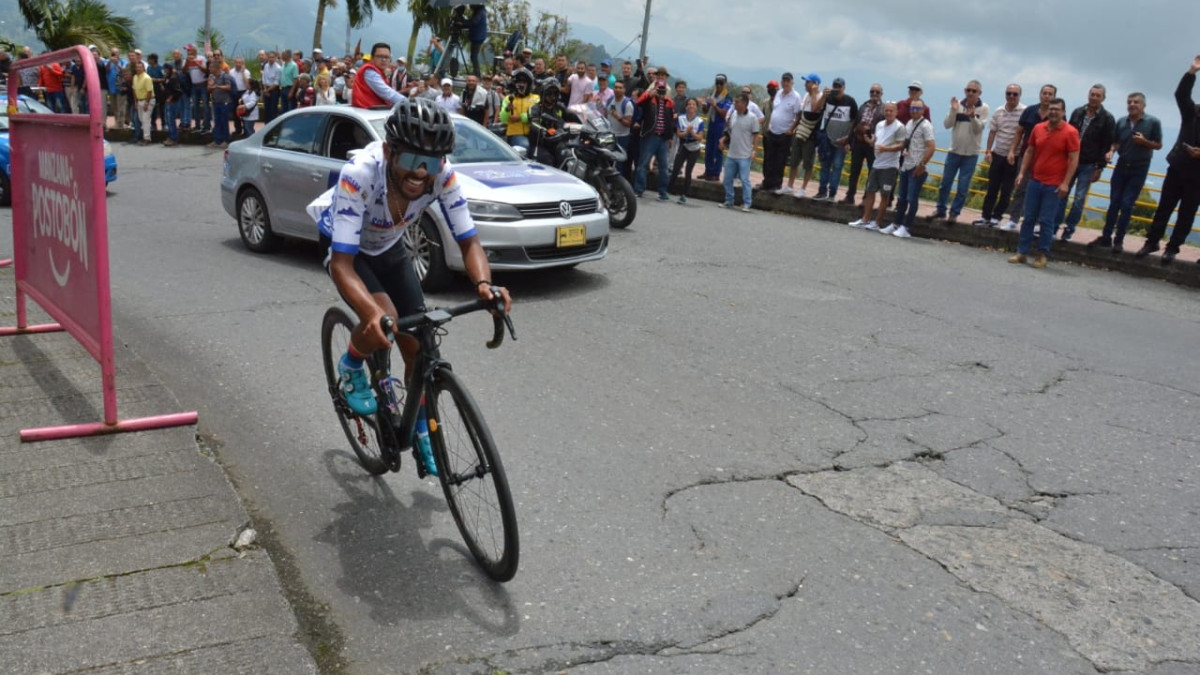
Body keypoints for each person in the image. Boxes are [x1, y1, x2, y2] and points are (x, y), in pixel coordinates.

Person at [305, 99, 511, 420]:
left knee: (418, 346)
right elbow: (342, 265)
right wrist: (371, 312)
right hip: (348, 248)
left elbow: (469, 241)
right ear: (388, 152)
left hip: (389, 244)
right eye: (411, 158)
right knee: (384, 316)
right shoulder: (359, 175)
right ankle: (352, 362)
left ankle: (420, 427)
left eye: (430, 162)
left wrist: (484, 285)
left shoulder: (442, 175)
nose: (419, 171)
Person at [1135, 55, 1200, 264]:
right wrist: (1192, 72)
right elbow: (1181, 95)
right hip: (1178, 167)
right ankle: (1152, 241)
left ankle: (1173, 248)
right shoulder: (1193, 113)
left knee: (1186, 214)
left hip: (1198, 176)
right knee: (1164, 207)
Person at [1009, 99, 1080, 269]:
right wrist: (1021, 173)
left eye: (1057, 109)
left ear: (1063, 112)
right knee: (1028, 218)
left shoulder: (1070, 132)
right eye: (1051, 109)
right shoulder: (1038, 128)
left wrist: (1066, 183)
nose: (1054, 112)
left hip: (1054, 185)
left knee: (1047, 221)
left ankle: (1042, 254)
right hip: (1035, 180)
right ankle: (1022, 252)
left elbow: (1073, 159)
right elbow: (1029, 151)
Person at [1091, 93, 1163, 253]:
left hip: (1139, 168)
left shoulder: (1152, 122)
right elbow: (1115, 142)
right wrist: (1111, 152)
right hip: (1121, 165)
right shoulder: (1122, 121)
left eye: (1136, 102)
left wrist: (1145, 142)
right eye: (1129, 102)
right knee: (1114, 203)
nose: (1132, 104)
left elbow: (1158, 145)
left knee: (1127, 204)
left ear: (1143, 105)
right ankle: (1106, 237)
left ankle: (1119, 240)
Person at [1055, 85, 1116, 240]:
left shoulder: (1107, 119)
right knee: (1061, 194)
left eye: (1098, 95)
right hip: (1071, 160)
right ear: (1088, 95)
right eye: (1092, 94)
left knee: (1079, 199)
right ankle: (1053, 227)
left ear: (1103, 98)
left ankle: (1069, 229)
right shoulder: (1078, 112)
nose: (1094, 98)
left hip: (1089, 164)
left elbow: (1106, 144)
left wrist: (1100, 167)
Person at [997, 84, 1057, 230]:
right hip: (1026, 156)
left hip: (1045, 159)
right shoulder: (1029, 111)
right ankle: (1013, 219)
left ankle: (1036, 223)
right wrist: (1012, 150)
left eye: (1050, 94)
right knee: (1020, 187)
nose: (1047, 96)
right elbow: (1019, 132)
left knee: (1041, 190)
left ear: (1054, 97)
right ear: (1040, 95)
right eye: (1044, 93)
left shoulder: (1056, 115)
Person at [935, 80, 990, 223]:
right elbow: (947, 125)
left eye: (974, 91)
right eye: (968, 90)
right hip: (954, 151)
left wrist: (972, 117)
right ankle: (940, 210)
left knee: (963, 187)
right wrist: (953, 110)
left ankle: (954, 213)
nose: (971, 93)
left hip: (971, 154)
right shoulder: (958, 105)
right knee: (945, 184)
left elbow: (979, 129)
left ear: (979, 93)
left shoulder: (984, 108)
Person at [849, 101, 906, 230]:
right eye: (886, 110)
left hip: (890, 166)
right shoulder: (880, 125)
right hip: (877, 163)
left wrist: (886, 148)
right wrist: (869, 141)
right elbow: (875, 140)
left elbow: (901, 145)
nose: (888, 113)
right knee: (870, 192)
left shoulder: (899, 127)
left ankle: (877, 222)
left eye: (891, 110)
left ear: (896, 112)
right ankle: (865, 219)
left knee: (885, 195)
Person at [976, 84, 1025, 226]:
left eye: (1015, 94)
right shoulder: (999, 111)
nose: (1011, 96)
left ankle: (997, 217)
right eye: (1009, 93)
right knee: (992, 187)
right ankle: (985, 216)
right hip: (998, 153)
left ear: (1019, 96)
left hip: (1014, 156)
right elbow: (993, 132)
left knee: (1006, 189)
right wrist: (988, 150)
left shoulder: (1024, 112)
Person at [887, 99, 936, 238]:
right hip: (906, 165)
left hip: (916, 167)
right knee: (902, 198)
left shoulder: (926, 126)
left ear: (923, 111)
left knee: (911, 198)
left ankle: (906, 227)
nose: (914, 111)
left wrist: (922, 165)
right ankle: (896, 224)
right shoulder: (909, 123)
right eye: (912, 108)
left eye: (917, 109)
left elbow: (931, 146)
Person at [634, 75, 676, 201]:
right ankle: (639, 190)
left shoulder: (669, 102)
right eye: (659, 89)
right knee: (643, 164)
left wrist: (670, 137)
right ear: (655, 88)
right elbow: (638, 102)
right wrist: (650, 94)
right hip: (650, 136)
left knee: (663, 167)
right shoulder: (649, 100)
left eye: (663, 89)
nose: (661, 91)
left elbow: (670, 121)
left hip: (663, 138)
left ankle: (663, 192)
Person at [783, 73, 826, 198]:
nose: (805, 84)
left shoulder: (821, 97)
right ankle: (790, 185)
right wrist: (792, 128)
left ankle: (803, 188)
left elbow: (814, 109)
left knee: (808, 162)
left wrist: (813, 93)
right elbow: (801, 114)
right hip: (800, 130)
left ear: (815, 84)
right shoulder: (806, 95)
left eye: (808, 82)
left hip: (811, 134)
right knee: (794, 159)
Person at [816, 77, 858, 201]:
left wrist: (848, 139)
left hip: (841, 141)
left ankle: (832, 193)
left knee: (837, 166)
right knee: (825, 166)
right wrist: (823, 96)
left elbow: (855, 121)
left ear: (843, 88)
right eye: (835, 86)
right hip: (827, 139)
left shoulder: (850, 101)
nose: (837, 89)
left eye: (839, 87)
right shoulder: (827, 99)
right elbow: (817, 109)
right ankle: (822, 191)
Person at [719, 93, 760, 212]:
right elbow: (730, 132)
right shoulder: (733, 115)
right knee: (727, 179)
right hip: (732, 153)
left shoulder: (752, 118)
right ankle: (729, 200)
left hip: (745, 155)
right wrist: (723, 140)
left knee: (745, 180)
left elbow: (756, 135)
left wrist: (754, 150)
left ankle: (747, 203)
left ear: (744, 104)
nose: (735, 104)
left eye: (737, 102)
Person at [844, 84, 883, 205]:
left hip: (872, 145)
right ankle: (850, 196)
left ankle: (866, 198)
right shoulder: (863, 106)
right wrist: (849, 142)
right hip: (858, 143)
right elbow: (855, 124)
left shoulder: (883, 109)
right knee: (854, 171)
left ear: (881, 94)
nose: (874, 94)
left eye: (877, 92)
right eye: (872, 91)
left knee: (872, 172)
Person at [762, 74, 802, 192]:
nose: (785, 83)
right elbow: (775, 110)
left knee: (780, 160)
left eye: (788, 81)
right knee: (769, 158)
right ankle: (767, 182)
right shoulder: (778, 94)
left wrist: (791, 129)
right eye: (784, 81)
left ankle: (776, 184)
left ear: (792, 82)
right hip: (772, 130)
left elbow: (798, 115)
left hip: (785, 133)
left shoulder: (796, 97)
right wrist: (769, 124)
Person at [528, 82, 579, 165]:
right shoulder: (535, 108)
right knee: (547, 160)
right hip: (540, 143)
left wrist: (584, 122)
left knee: (570, 155)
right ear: (543, 94)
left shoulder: (559, 107)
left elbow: (572, 116)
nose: (552, 96)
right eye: (549, 93)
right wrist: (544, 131)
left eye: (555, 93)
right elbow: (533, 123)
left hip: (558, 140)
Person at [669, 98, 705, 204]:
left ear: (696, 107)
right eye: (689, 104)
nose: (691, 106)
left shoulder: (700, 121)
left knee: (688, 171)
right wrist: (686, 133)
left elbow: (700, 137)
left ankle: (685, 193)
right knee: (676, 167)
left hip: (694, 148)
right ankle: (669, 189)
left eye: (693, 104)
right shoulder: (681, 118)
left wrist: (692, 133)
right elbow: (679, 133)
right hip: (683, 145)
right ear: (686, 106)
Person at [352, 43, 407, 108]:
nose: (384, 60)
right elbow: (387, 93)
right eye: (380, 56)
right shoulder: (369, 71)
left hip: (375, 112)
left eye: (386, 57)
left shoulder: (380, 72)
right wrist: (407, 102)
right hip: (367, 112)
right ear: (372, 58)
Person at [700, 74, 732, 180]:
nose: (718, 85)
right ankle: (708, 171)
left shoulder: (727, 97)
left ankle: (716, 173)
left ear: (725, 84)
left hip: (720, 125)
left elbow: (724, 113)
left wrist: (714, 105)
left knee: (717, 150)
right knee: (708, 148)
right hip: (711, 124)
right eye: (717, 83)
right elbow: (705, 111)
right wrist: (704, 104)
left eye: (721, 83)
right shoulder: (712, 94)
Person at [499, 68, 539, 150]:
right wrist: (507, 110)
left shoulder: (536, 98)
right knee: (524, 145)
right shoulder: (508, 99)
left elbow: (536, 114)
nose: (521, 85)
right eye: (518, 83)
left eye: (524, 82)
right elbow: (503, 119)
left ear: (528, 84)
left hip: (534, 134)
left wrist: (520, 117)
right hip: (515, 134)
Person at [608, 80, 636, 178]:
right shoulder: (610, 100)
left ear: (624, 90)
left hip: (623, 137)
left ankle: (618, 187)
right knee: (607, 160)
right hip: (610, 136)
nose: (617, 90)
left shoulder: (627, 104)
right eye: (616, 87)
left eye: (620, 88)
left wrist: (618, 117)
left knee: (619, 163)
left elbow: (628, 123)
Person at [132, 60, 155, 145]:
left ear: (143, 68)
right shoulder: (135, 77)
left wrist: (146, 103)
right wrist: (135, 101)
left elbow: (149, 91)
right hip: (139, 100)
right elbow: (134, 89)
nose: (138, 69)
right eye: (137, 67)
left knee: (145, 119)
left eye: (140, 67)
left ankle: (147, 138)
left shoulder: (147, 78)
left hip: (147, 100)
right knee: (141, 119)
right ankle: (145, 136)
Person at [161, 63, 183, 146]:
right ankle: (170, 136)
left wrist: (170, 98)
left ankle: (173, 137)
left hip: (173, 102)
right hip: (167, 101)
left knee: (171, 120)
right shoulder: (167, 78)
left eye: (167, 69)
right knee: (168, 120)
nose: (165, 71)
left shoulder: (173, 78)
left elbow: (177, 91)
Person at [467, 4, 488, 78]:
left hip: (477, 37)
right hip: (477, 36)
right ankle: (476, 73)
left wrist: (463, 23)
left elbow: (473, 22)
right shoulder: (480, 11)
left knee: (474, 56)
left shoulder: (479, 12)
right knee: (473, 56)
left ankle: (477, 74)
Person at [261, 51, 282, 122]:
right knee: (266, 109)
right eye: (269, 57)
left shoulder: (278, 68)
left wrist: (268, 90)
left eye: (272, 57)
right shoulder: (266, 66)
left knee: (273, 110)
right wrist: (265, 89)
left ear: (275, 58)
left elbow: (276, 82)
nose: (271, 59)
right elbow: (264, 78)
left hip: (274, 90)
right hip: (266, 89)